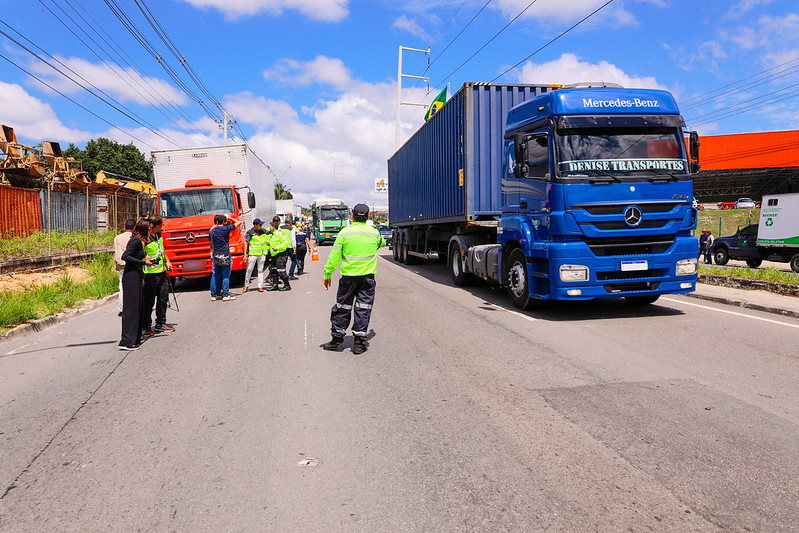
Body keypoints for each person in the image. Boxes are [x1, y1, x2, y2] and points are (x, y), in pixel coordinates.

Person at [322, 203, 386, 354]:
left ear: (352, 215)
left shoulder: (345, 233)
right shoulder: (374, 233)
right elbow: (382, 243)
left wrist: (327, 274)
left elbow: (334, 256)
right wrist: (375, 231)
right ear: (368, 216)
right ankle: (359, 343)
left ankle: (337, 341)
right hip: (367, 279)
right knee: (363, 309)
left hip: (348, 278)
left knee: (343, 307)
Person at [119, 219, 153, 351]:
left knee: (138, 307)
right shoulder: (135, 241)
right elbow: (125, 256)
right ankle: (127, 341)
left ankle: (134, 338)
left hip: (137, 275)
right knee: (131, 309)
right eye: (149, 229)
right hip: (131, 276)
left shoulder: (140, 242)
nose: (150, 231)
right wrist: (143, 263)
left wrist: (144, 260)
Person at [141, 216, 173, 336]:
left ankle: (160, 322)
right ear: (155, 226)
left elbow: (162, 249)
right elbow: (139, 253)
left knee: (163, 298)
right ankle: (146, 326)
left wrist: (167, 261)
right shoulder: (145, 238)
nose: (162, 227)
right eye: (161, 225)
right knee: (149, 302)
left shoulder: (158, 235)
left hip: (162, 272)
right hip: (150, 275)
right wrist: (145, 258)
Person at [209, 214, 241, 301]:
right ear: (223, 221)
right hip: (225, 254)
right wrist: (229, 217)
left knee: (215, 274)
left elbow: (211, 245)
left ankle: (214, 295)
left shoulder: (211, 231)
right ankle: (226, 295)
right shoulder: (226, 229)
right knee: (226, 276)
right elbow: (238, 222)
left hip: (216, 255)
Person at [113, 219, 135, 317]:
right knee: (134, 286)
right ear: (134, 228)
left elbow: (116, 252)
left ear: (125, 227)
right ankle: (133, 306)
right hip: (133, 264)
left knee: (122, 286)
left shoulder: (117, 238)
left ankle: (122, 308)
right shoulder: (135, 238)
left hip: (122, 265)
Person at [243, 218, 270, 293]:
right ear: (255, 225)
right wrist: (245, 254)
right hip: (253, 255)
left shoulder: (263, 231)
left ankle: (260, 286)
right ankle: (246, 285)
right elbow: (246, 243)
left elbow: (271, 231)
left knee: (260, 270)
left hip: (262, 254)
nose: (261, 226)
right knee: (249, 270)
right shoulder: (250, 232)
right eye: (259, 225)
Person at [268, 219, 292, 291]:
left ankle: (287, 285)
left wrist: (277, 248)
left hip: (281, 255)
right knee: (274, 271)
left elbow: (285, 244)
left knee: (281, 271)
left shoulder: (279, 234)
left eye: (270, 227)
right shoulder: (272, 235)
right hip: (274, 255)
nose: (269, 228)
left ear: (273, 227)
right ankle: (275, 285)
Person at [280, 215, 299, 280]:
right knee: (294, 260)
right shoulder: (291, 229)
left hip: (282, 247)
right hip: (289, 247)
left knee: (282, 261)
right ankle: (291, 274)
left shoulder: (280, 228)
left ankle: (282, 275)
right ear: (290, 223)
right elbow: (293, 239)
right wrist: (294, 249)